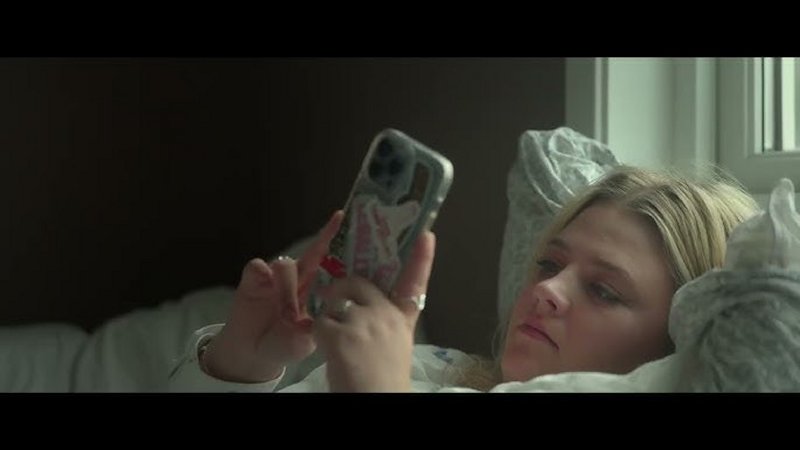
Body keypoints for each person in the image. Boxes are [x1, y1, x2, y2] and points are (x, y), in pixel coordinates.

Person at [167, 165, 766, 392]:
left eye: (603, 290)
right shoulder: (432, 371)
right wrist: (243, 362)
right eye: (550, 264)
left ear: (676, 342)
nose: (547, 291)